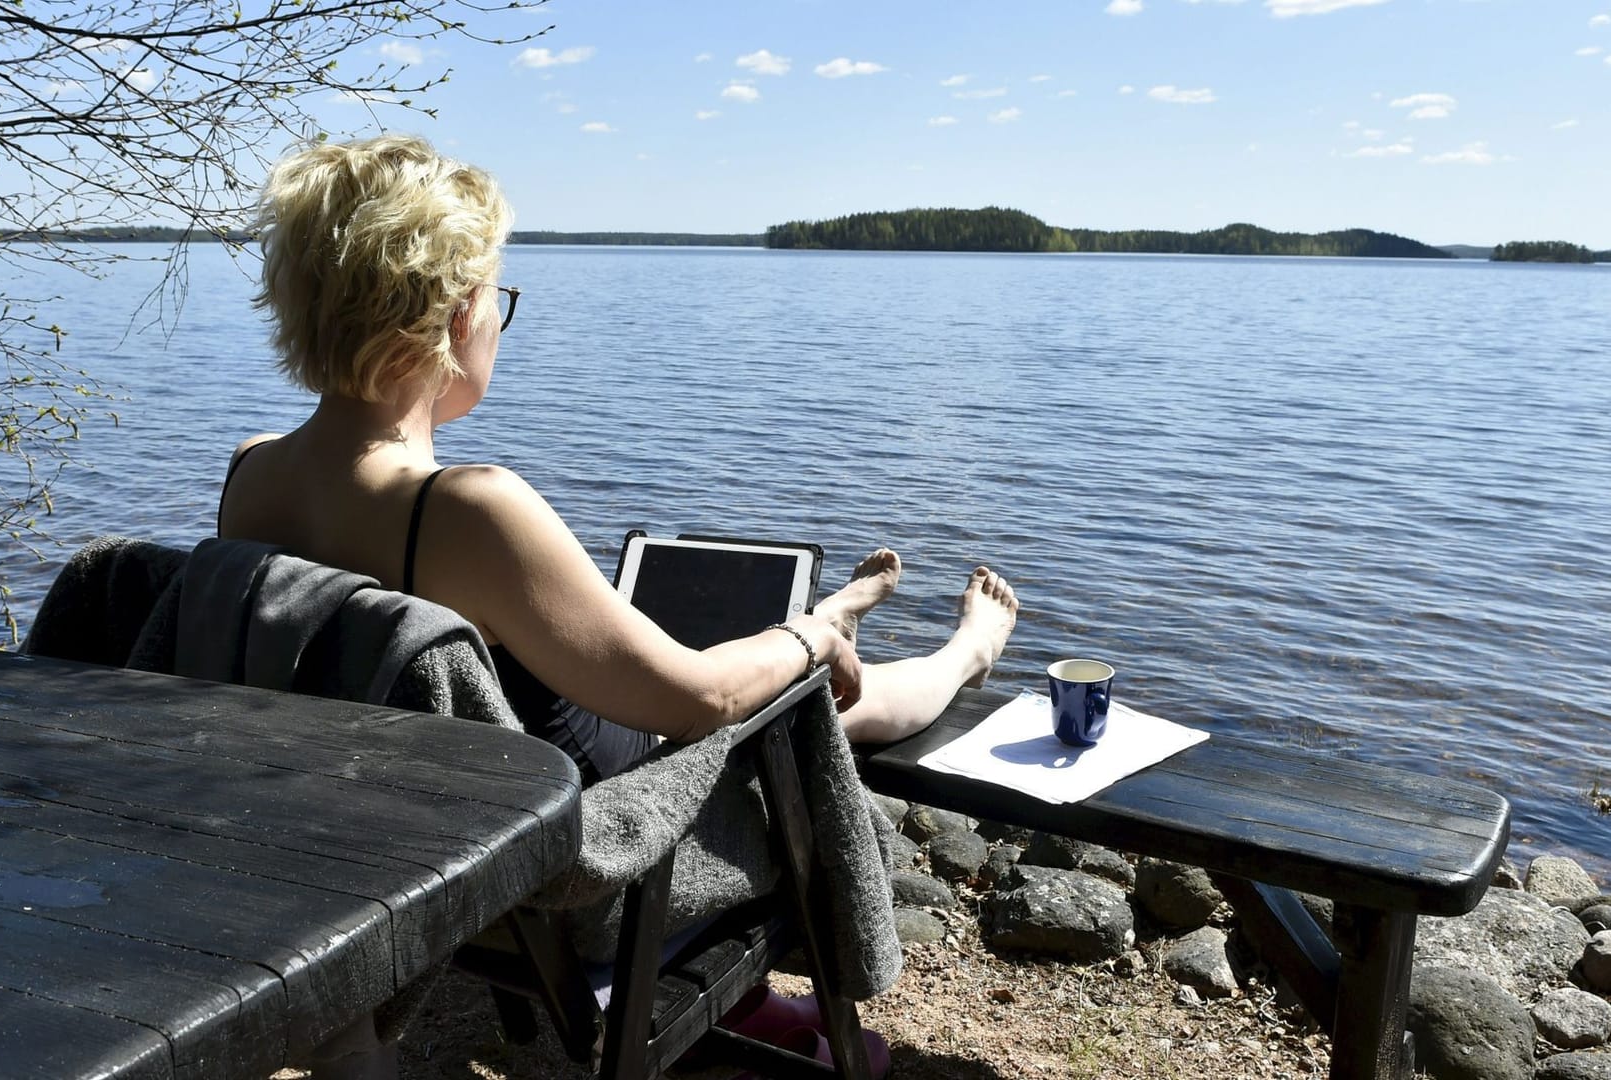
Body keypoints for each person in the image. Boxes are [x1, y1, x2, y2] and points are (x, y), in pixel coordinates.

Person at [220, 133, 1019, 787]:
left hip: (391, 820)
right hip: (565, 840)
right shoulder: (467, 510)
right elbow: (701, 699)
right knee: (832, 692)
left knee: (712, 649)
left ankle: (832, 613)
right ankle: (963, 651)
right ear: (460, 315)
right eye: (499, 299)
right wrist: (810, 642)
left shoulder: (251, 474)